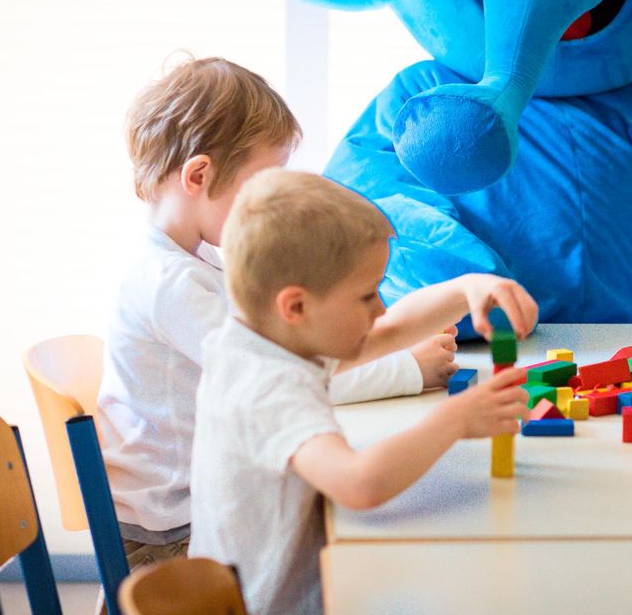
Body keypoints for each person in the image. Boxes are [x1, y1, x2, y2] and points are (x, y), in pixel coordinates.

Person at [97, 56, 454, 568]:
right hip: (173, 533)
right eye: (263, 185)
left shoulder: (187, 260)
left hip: (180, 508)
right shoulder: (173, 285)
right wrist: (408, 370)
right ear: (199, 175)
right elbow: (280, 371)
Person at [189, 169, 534, 615]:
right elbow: (359, 484)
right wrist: (455, 420)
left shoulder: (268, 338)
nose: (380, 307)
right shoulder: (266, 387)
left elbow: (393, 330)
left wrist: (468, 288)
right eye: (366, 295)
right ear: (296, 306)